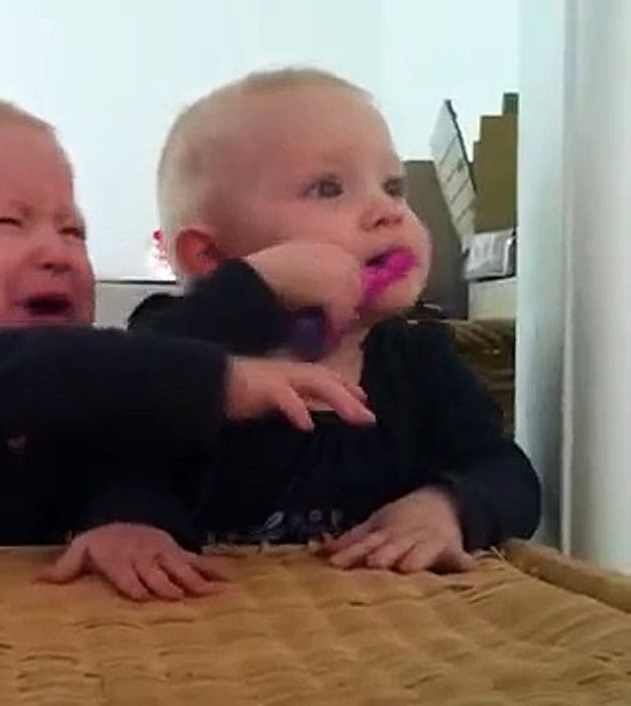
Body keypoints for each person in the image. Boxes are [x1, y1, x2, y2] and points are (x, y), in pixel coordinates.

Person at [0, 92, 374, 600]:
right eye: (8, 224)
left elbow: (126, 456)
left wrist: (124, 520)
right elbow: (43, 375)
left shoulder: (77, 384)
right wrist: (224, 375)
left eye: (73, 230)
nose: (58, 251)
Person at [134, 68, 541, 573]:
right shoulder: (172, 346)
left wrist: (446, 506)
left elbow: (508, 474)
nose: (386, 211)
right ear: (212, 256)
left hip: (377, 622)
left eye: (394, 187)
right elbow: (115, 412)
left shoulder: (420, 363)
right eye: (328, 188)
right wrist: (251, 290)